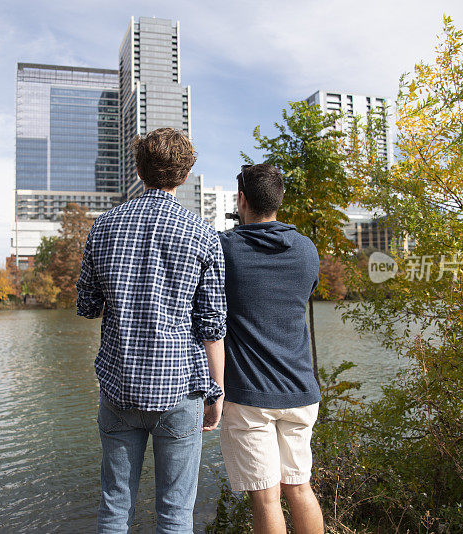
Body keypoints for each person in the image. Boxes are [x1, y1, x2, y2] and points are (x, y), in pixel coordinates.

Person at [76, 128, 226, 534]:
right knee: (175, 515)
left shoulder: (104, 226)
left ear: (140, 171)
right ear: (184, 174)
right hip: (180, 389)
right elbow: (212, 327)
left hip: (119, 386)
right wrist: (217, 391)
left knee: (113, 509)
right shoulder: (203, 234)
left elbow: (87, 306)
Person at [218, 163, 324, 534]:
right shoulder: (306, 250)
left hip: (250, 397)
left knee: (265, 497)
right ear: (279, 201)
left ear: (242, 199)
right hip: (300, 391)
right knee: (299, 487)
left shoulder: (225, 248)